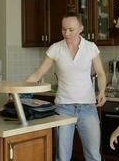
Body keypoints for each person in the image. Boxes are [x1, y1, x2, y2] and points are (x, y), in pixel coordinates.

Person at [26, 11, 106, 161]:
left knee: (94, 156)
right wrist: (18, 91)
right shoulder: (55, 48)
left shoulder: (91, 47)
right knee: (62, 157)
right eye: (63, 29)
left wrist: (102, 91)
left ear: (81, 28)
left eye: (71, 29)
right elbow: (38, 74)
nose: (66, 33)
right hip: (63, 108)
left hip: (88, 107)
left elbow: (100, 73)